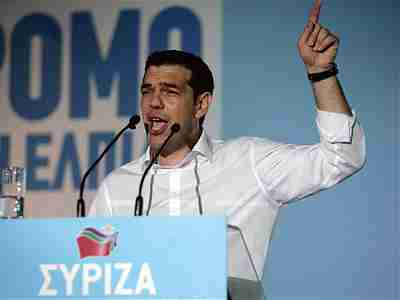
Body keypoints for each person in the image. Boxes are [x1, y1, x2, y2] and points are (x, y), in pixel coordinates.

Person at [89, 0, 366, 298]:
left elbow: (342, 158)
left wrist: (321, 72)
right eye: (147, 91)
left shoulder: (249, 162)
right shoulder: (116, 187)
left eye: (169, 91)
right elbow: (89, 277)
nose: (153, 103)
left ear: (201, 104)